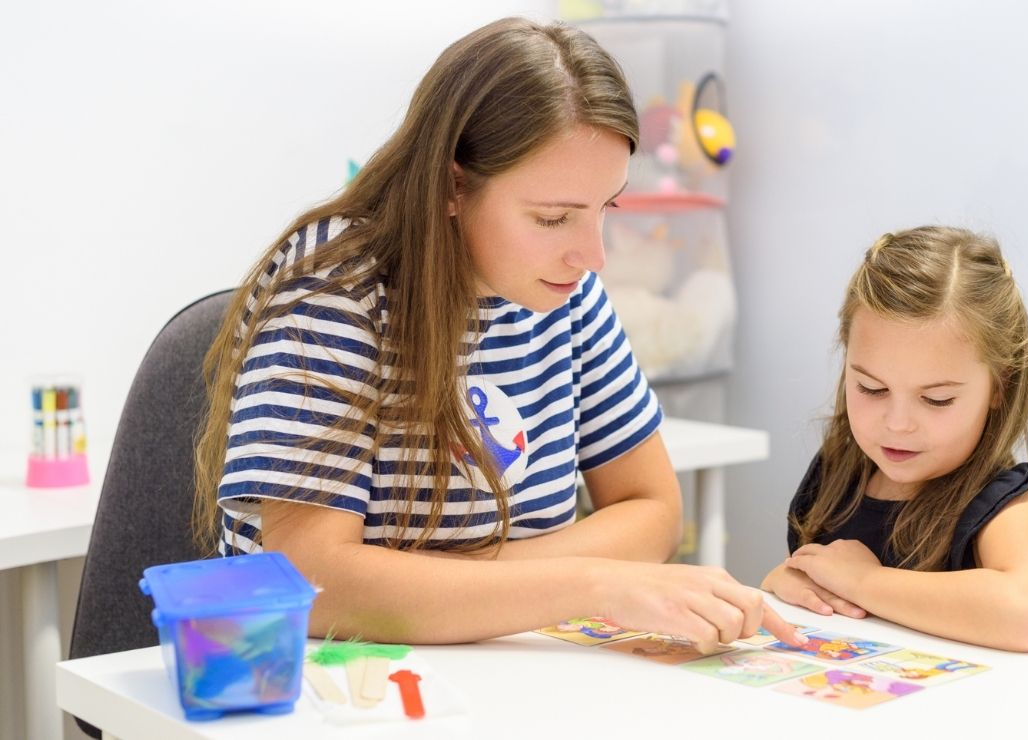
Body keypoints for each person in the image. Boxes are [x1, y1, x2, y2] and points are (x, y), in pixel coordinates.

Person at [190, 16, 803, 653]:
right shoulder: (329, 293)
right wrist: (585, 583)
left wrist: (451, 588)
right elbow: (311, 581)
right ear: (454, 186)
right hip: (337, 679)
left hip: (505, 666)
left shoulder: (568, 294)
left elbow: (653, 510)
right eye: (552, 218)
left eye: (607, 207)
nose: (593, 256)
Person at [761, 226, 1028, 652]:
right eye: (871, 388)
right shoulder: (839, 475)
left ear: (999, 387)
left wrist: (865, 581)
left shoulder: (1005, 504)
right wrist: (782, 580)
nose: (898, 424)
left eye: (936, 399)